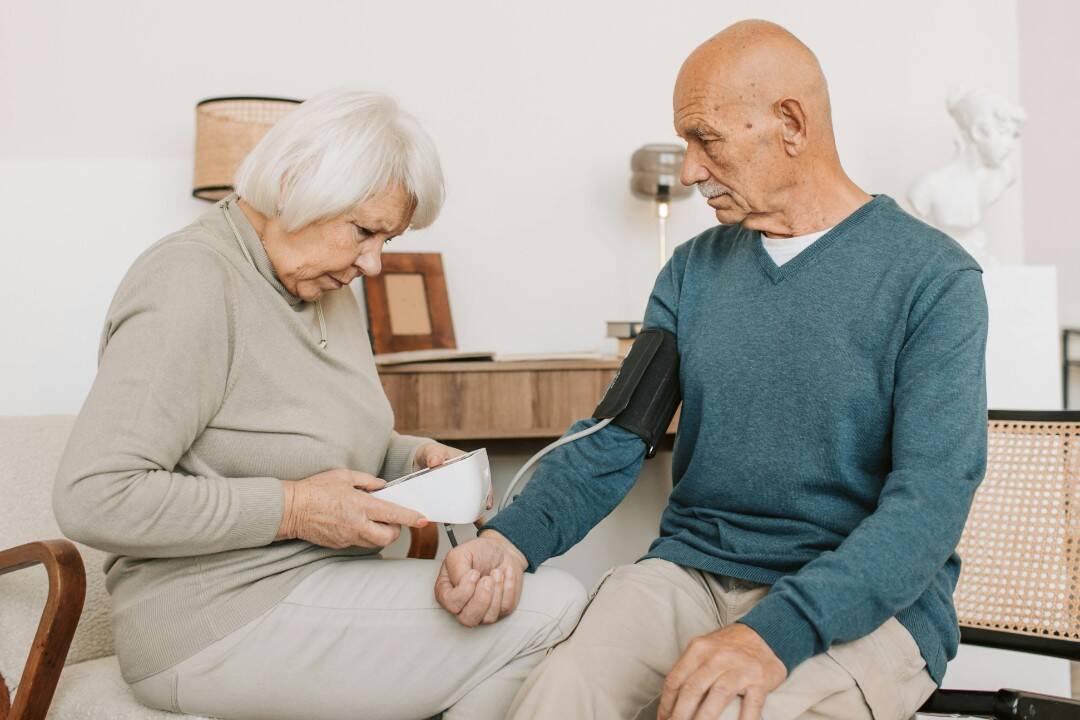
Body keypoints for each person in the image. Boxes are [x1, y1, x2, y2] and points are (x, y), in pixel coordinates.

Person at [435, 20, 988, 720]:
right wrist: (511, 540)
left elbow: (929, 505)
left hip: (863, 606)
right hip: (692, 575)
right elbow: (612, 439)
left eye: (707, 138)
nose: (690, 168)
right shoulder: (693, 272)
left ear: (790, 122)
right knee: (558, 694)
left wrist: (771, 637)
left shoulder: (933, 278)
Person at [53, 89, 586, 720]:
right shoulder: (192, 282)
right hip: (211, 621)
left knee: (517, 599)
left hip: (317, 588)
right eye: (364, 231)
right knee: (553, 608)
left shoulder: (325, 288)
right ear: (292, 185)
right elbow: (93, 495)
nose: (375, 262)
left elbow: (317, 438)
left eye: (387, 238)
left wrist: (412, 458)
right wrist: (296, 509)